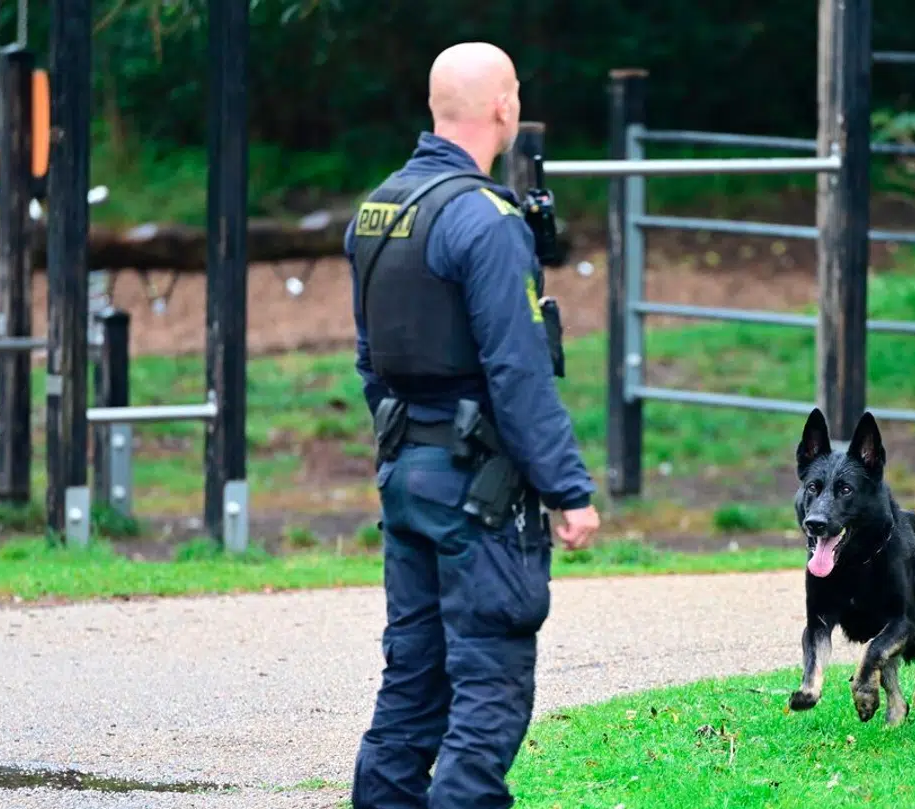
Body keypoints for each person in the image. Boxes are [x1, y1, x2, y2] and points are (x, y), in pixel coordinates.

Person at [343, 41, 600, 809]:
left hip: (406, 477)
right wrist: (569, 489)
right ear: (503, 106)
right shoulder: (485, 222)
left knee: (413, 685)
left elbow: (367, 359)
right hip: (478, 494)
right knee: (488, 687)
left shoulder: (379, 210)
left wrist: (408, 441)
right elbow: (518, 374)